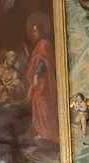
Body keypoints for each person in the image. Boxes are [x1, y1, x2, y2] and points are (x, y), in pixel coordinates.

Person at [25, 12, 58, 144]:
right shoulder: (38, 45)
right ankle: (41, 131)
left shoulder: (43, 44)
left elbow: (42, 61)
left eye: (35, 30)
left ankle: (47, 132)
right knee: (37, 104)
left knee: (44, 104)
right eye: (32, 31)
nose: (33, 34)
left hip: (43, 81)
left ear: (40, 30)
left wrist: (36, 75)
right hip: (39, 82)